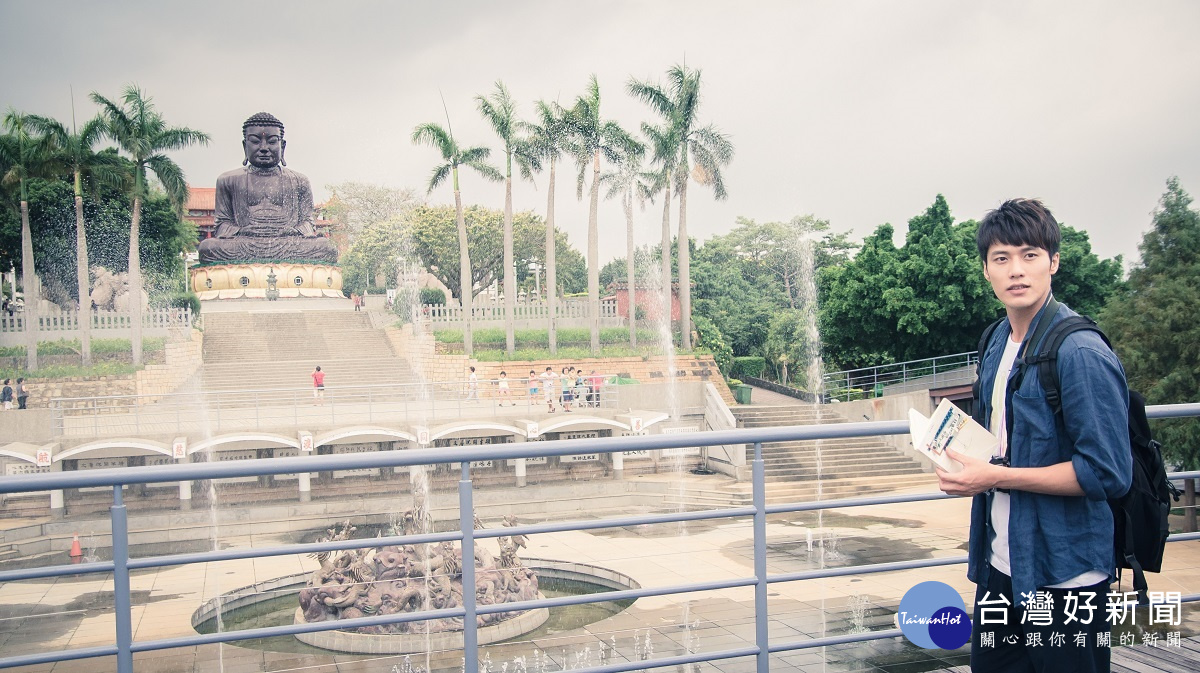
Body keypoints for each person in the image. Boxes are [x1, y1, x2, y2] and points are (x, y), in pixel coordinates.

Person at [936, 199, 1132, 673]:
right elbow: (1000, 436)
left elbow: (1107, 473)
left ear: (1054, 262)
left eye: (1030, 255)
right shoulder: (996, 340)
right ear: (986, 270)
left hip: (1066, 576)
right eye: (1002, 258)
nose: (1016, 270)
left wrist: (995, 478)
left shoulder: (1079, 351)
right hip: (1002, 567)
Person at [197, 112, 338, 264]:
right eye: (255, 141)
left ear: (282, 146)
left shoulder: (299, 181)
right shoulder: (228, 180)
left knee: (326, 247)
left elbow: (308, 222)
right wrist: (241, 231)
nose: (264, 148)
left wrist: (293, 231)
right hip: (245, 243)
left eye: (271, 141)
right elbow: (222, 224)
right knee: (208, 247)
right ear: (245, 146)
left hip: (288, 243)